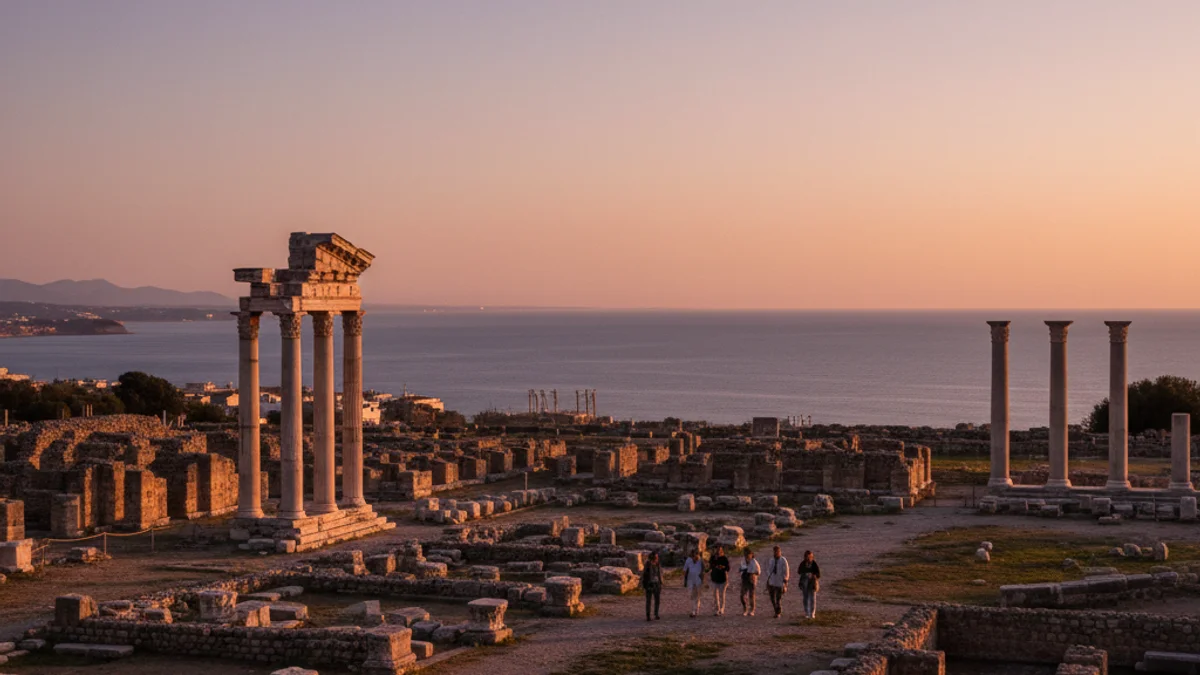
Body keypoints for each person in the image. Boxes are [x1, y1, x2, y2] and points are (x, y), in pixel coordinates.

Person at [765, 545, 789, 618]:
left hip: (780, 581)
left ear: (780, 552)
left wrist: (785, 580)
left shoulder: (783, 560)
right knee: (772, 597)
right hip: (772, 581)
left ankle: (778, 612)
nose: (776, 553)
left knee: (778, 598)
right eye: (775, 551)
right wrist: (768, 578)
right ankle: (775, 609)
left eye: (778, 551)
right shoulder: (771, 560)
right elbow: (769, 569)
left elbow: (786, 571)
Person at [682, 549, 706, 618]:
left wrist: (703, 578)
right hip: (691, 581)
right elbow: (684, 570)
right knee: (692, 596)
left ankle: (696, 610)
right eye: (694, 556)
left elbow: (705, 570)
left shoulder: (701, 561)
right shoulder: (688, 560)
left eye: (696, 556)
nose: (695, 558)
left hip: (698, 581)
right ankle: (693, 610)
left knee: (697, 596)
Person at [798, 549, 821, 619]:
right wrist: (805, 574)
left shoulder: (814, 564)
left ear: (812, 557)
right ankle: (807, 613)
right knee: (805, 598)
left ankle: (812, 613)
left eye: (810, 557)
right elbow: (799, 571)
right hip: (804, 582)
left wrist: (813, 575)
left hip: (812, 583)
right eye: (807, 557)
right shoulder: (802, 563)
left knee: (813, 598)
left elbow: (818, 574)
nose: (808, 559)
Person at [641, 551, 664, 621]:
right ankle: (648, 615)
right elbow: (644, 574)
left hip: (657, 584)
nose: (657, 558)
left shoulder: (658, 564)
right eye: (656, 557)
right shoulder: (648, 564)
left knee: (657, 600)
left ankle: (656, 613)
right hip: (649, 583)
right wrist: (644, 584)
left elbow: (660, 573)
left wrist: (661, 582)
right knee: (649, 600)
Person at [738, 550, 762, 616]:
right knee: (742, 595)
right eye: (746, 555)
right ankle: (745, 608)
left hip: (751, 580)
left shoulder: (754, 562)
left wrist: (753, 574)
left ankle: (752, 610)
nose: (747, 556)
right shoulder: (743, 561)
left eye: (748, 555)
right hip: (744, 579)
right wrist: (741, 570)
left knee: (751, 595)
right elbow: (740, 569)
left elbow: (759, 572)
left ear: (751, 555)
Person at [709, 545, 730, 616]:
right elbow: (710, 566)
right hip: (714, 578)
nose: (718, 552)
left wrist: (722, 567)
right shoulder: (712, 558)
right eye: (717, 550)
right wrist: (715, 561)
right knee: (715, 595)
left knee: (721, 595)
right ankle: (717, 609)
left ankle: (722, 608)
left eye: (719, 550)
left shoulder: (724, 558)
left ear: (722, 551)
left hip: (723, 579)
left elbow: (728, 568)